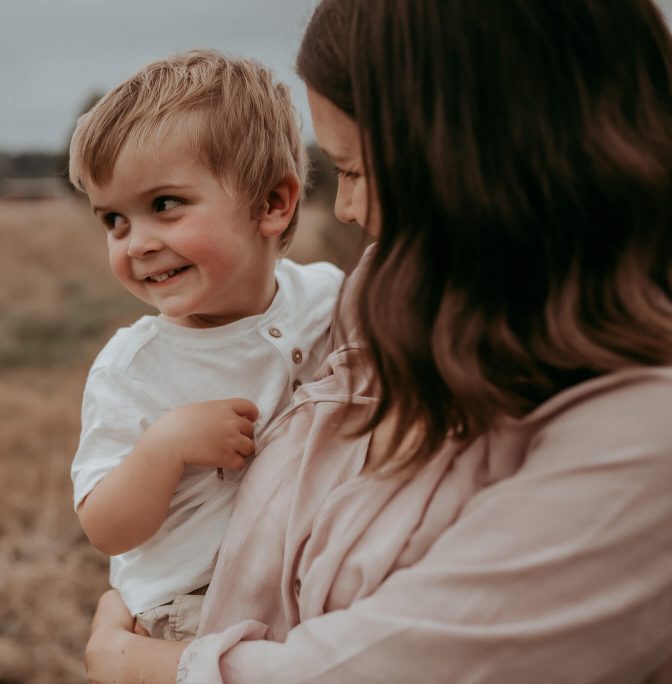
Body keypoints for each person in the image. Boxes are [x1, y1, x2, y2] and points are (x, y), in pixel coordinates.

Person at [84, 0, 672, 681]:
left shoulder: (643, 440)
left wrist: (142, 667)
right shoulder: (388, 305)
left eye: (357, 170)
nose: (344, 209)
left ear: (484, 163)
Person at [67, 50, 346, 641]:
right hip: (191, 611)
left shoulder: (326, 294)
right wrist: (162, 450)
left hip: (306, 585)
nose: (136, 243)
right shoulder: (134, 368)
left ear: (273, 204)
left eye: (164, 206)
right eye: (113, 219)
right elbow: (105, 528)